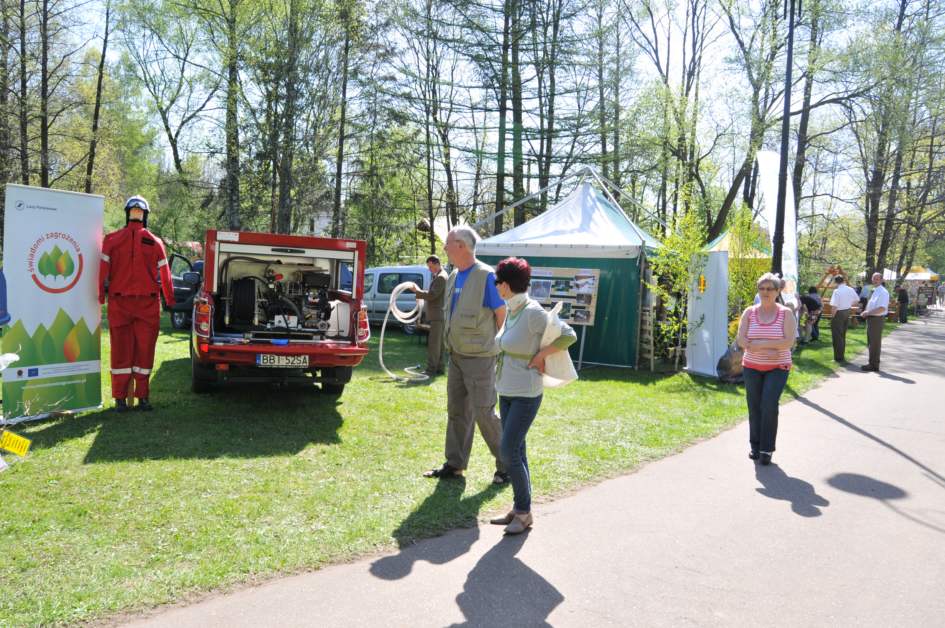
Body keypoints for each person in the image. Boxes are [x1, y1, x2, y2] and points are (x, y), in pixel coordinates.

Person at [487, 257, 576, 534]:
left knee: (507, 451)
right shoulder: (512, 309)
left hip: (526, 393)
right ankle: (520, 509)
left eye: (498, 281)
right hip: (507, 390)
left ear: (507, 284)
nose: (495, 286)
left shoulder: (533, 312)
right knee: (517, 451)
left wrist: (541, 356)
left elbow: (568, 335)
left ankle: (524, 512)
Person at [423, 225, 508, 484]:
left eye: (448, 243)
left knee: (484, 412)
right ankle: (455, 464)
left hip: (480, 358)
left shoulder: (486, 276)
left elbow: (502, 314)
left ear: (461, 246)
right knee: (457, 411)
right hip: (457, 356)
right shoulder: (452, 276)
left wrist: (496, 346)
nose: (445, 248)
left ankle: (507, 465)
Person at [99, 196, 175, 412]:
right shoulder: (155, 242)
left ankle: (120, 400)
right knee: (145, 352)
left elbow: (102, 272)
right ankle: (142, 399)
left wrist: (100, 295)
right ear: (145, 215)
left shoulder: (111, 239)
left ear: (127, 214)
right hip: (146, 306)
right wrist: (170, 299)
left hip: (119, 304)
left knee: (120, 352)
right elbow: (166, 275)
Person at [736, 272, 797, 466]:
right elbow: (741, 340)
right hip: (751, 366)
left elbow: (789, 341)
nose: (765, 292)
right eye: (762, 288)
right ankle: (755, 446)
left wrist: (760, 344)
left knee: (769, 405)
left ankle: (766, 449)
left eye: (770, 288)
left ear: (778, 291)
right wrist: (769, 347)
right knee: (754, 406)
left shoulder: (785, 313)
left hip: (778, 367)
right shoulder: (749, 312)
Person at [409, 255, 448, 376]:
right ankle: (440, 368)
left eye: (431, 267)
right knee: (439, 344)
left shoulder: (441, 277)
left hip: (437, 316)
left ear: (437, 264)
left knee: (434, 345)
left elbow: (432, 295)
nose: (430, 269)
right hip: (439, 315)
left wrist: (417, 292)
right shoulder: (440, 275)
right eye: (429, 267)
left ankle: (431, 369)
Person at [859, 272, 889, 372]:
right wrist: (865, 311)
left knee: (874, 343)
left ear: (881, 280)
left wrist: (867, 312)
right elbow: (873, 305)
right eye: (873, 278)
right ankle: (872, 364)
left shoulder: (883, 292)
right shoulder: (875, 290)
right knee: (871, 343)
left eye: (877, 279)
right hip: (872, 319)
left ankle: (874, 365)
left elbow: (881, 308)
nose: (875, 280)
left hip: (876, 319)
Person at [828, 275, 859, 363]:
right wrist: (848, 303)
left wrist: (832, 317)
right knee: (842, 335)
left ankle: (838, 358)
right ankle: (841, 356)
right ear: (843, 281)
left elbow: (834, 306)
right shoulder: (850, 289)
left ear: (836, 282)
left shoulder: (837, 291)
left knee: (837, 336)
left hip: (838, 313)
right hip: (847, 311)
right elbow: (857, 299)